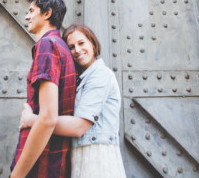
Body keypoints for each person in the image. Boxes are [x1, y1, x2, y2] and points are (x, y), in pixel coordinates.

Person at [20, 24, 126, 178]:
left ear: (93, 43)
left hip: (98, 160)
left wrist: (32, 120)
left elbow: (78, 127)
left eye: (81, 43)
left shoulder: (100, 75)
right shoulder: (80, 80)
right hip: (81, 158)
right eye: (71, 47)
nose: (77, 50)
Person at [10, 0, 77, 178]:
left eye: (31, 11)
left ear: (47, 13)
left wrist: (16, 175)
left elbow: (47, 118)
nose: (26, 16)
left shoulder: (47, 45)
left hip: (41, 165)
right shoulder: (61, 46)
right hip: (53, 163)